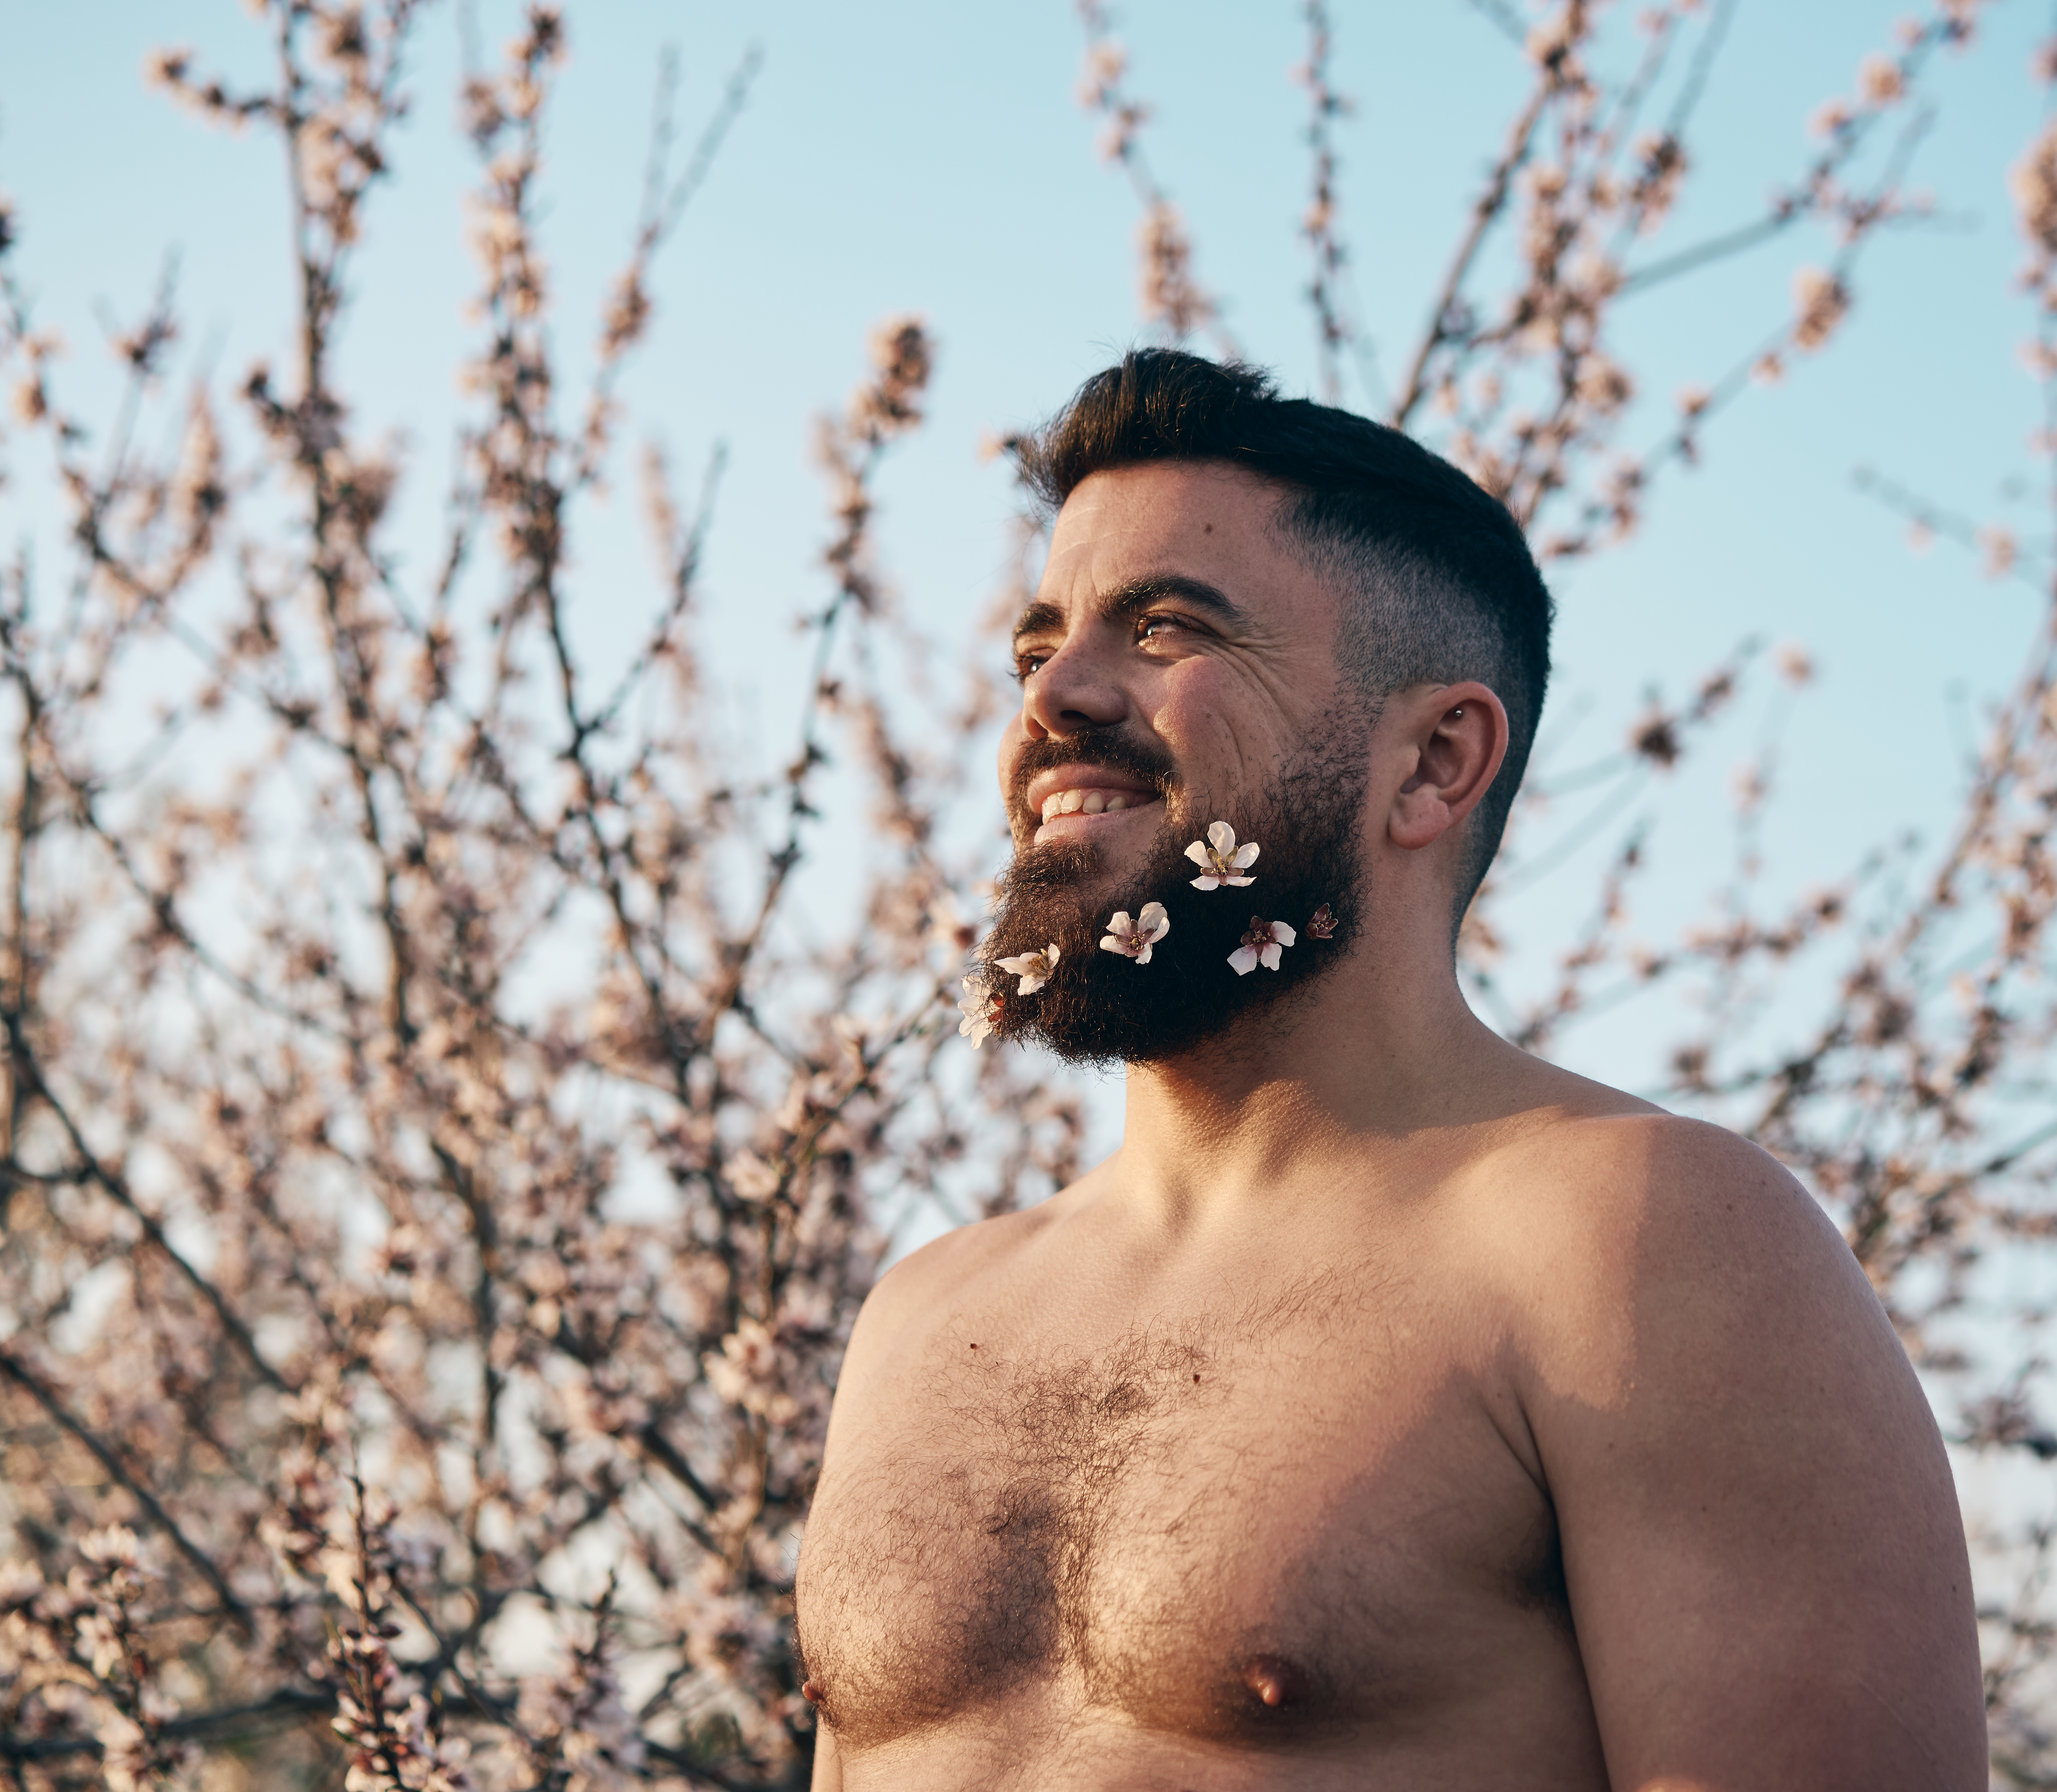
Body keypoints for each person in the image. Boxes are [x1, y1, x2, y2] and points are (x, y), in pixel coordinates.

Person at [792, 350, 1984, 1790]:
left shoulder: (1642, 1243)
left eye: (1164, 629)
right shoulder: (923, 1319)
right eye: (1034, 647)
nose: (1054, 699)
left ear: (1431, 763)